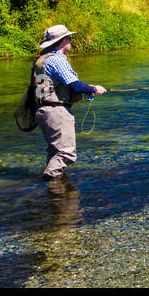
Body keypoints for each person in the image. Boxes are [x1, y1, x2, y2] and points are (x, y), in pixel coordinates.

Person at [33, 25, 107, 181]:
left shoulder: (42, 59)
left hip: (42, 111)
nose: (70, 41)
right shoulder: (57, 60)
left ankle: (53, 192)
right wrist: (94, 89)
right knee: (67, 153)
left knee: (55, 151)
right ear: (61, 41)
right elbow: (76, 85)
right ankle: (51, 185)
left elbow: (53, 87)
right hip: (56, 112)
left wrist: (86, 91)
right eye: (69, 38)